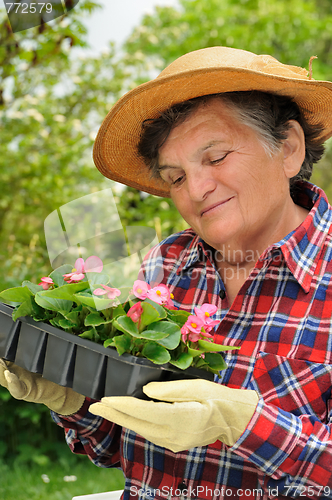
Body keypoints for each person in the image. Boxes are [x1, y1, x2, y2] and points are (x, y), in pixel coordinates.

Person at [2, 46, 332, 499]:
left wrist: (244, 424)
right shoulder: (162, 268)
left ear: (289, 149)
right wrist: (74, 400)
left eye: (215, 158)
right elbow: (118, 446)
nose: (196, 189)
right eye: (175, 177)